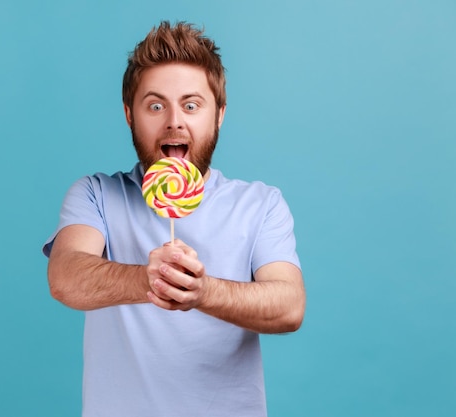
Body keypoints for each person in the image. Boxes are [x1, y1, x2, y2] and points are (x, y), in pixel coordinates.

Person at [43, 20, 305, 417]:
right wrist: (145, 278)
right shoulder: (96, 194)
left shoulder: (261, 204)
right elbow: (65, 278)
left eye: (191, 105)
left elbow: (289, 306)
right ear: (129, 115)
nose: (174, 122)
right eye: (155, 105)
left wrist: (203, 292)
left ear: (219, 115)